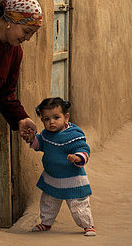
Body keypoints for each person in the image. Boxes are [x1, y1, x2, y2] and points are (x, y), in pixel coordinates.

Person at [0, 0, 42, 184]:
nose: (28, 38)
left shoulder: (16, 52)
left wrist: (21, 119)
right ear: (10, 20)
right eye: (26, 31)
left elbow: (5, 94)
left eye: (32, 34)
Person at [28, 97, 96, 237]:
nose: (51, 122)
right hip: (52, 177)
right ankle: (46, 222)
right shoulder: (47, 135)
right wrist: (32, 139)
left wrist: (77, 157)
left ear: (66, 118)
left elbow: (84, 149)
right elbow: (40, 143)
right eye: (46, 119)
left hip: (72, 180)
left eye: (56, 117)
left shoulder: (73, 135)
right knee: (48, 202)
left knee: (78, 205)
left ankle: (87, 225)